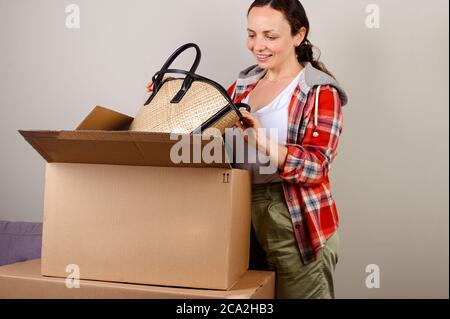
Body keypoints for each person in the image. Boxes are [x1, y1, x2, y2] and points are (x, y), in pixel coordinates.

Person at [147, 0, 348, 299]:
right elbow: (203, 124)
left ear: (298, 35)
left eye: (270, 35)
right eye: (252, 34)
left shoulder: (319, 91)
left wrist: (263, 140)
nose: (258, 45)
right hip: (241, 208)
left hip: (292, 215)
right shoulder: (244, 84)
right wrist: (168, 96)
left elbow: (316, 166)